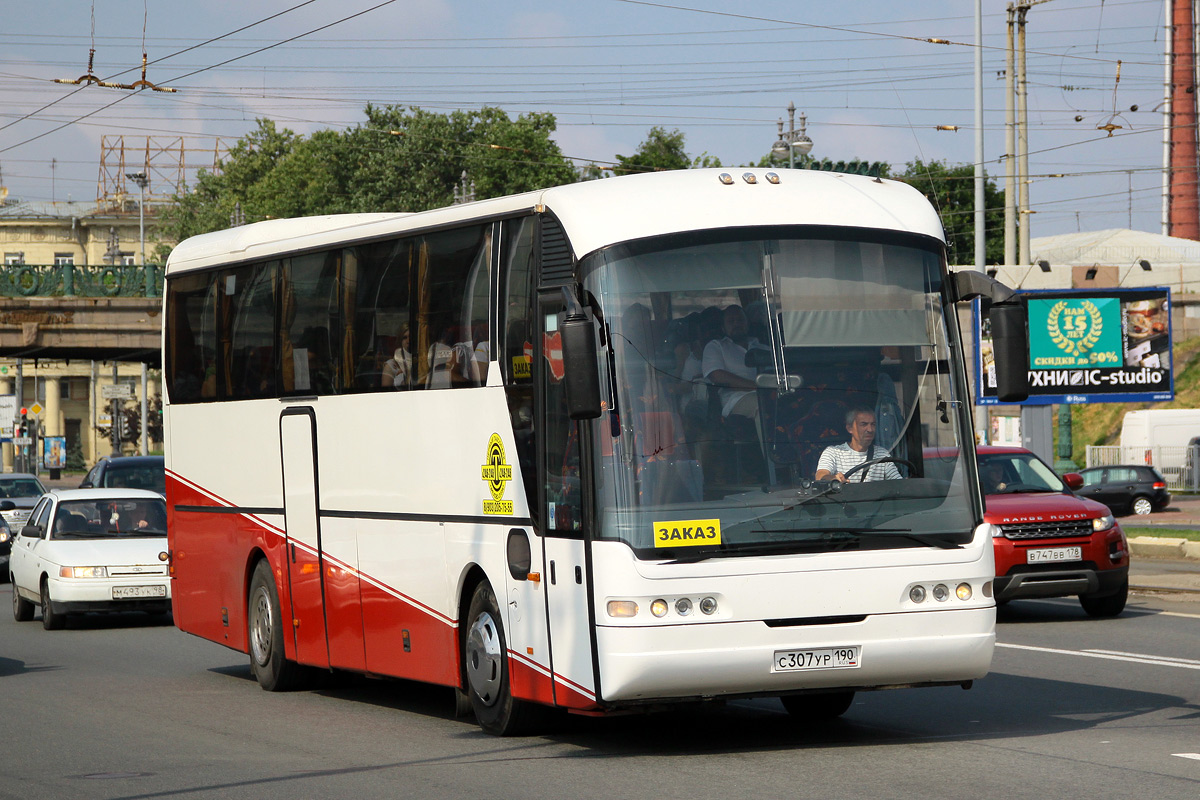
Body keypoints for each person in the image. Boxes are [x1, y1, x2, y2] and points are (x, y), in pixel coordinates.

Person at [701, 304, 763, 422]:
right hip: (736, 399)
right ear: (723, 328)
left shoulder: (764, 348)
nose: (736, 324)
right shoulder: (716, 346)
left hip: (772, 393)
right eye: (731, 321)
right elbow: (716, 375)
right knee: (762, 405)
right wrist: (755, 386)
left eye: (740, 320)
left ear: (748, 323)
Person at [815, 407, 902, 482]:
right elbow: (820, 476)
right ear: (849, 428)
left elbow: (897, 482)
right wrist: (833, 478)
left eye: (873, 424)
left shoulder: (882, 454)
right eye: (864, 424)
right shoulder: (833, 453)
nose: (870, 429)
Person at [382, 323, 412, 389]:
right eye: (405, 338)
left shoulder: (422, 363)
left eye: (411, 337)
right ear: (400, 340)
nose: (408, 341)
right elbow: (386, 393)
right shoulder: (391, 365)